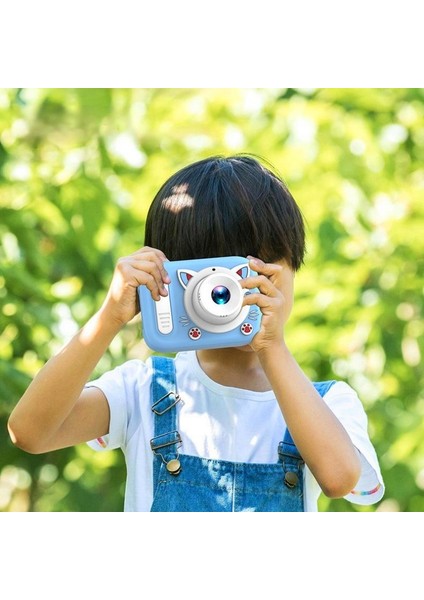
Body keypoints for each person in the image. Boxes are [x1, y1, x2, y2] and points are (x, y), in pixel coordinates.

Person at [8, 155, 384, 511]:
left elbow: (338, 479)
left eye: (249, 271)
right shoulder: (144, 390)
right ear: (172, 280)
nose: (230, 291)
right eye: (214, 274)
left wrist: (272, 347)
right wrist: (109, 316)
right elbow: (31, 432)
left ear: (291, 270)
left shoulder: (326, 402)